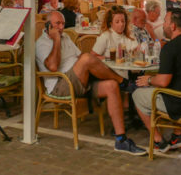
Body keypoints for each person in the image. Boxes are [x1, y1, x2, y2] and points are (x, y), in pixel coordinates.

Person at [36, 11, 147, 156]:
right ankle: (124, 83)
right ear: (48, 25)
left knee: (111, 85)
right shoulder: (41, 43)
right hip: (61, 85)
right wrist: (56, 39)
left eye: (63, 23)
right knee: (88, 59)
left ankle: (121, 140)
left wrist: (99, 62)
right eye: (57, 24)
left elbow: (79, 56)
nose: (61, 27)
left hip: (80, 79)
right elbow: (52, 67)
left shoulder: (67, 38)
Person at [133, 8, 181, 152]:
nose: (163, 25)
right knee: (175, 87)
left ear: (173, 26)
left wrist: (148, 80)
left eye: (165, 22)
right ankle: (177, 136)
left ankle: (158, 140)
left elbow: (163, 81)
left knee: (138, 94)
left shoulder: (170, 48)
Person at [92, 6, 139, 79]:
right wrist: (110, 58)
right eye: (117, 22)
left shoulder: (128, 35)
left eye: (123, 21)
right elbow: (93, 56)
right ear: (110, 23)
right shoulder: (105, 36)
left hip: (127, 73)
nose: (121, 24)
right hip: (111, 74)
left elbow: (136, 51)